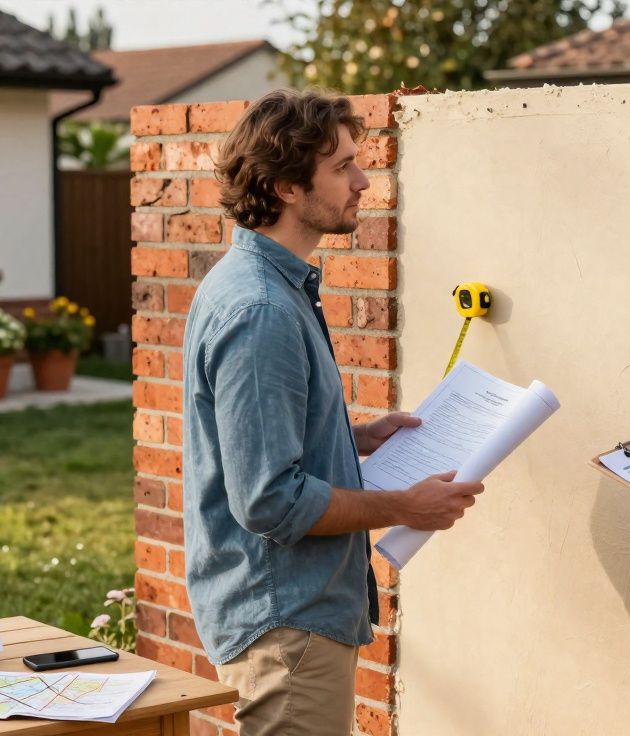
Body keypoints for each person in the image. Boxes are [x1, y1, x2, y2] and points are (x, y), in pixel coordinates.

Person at [181, 89, 484, 736]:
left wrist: (357, 437)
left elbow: (256, 443)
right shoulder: (261, 311)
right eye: (343, 165)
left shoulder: (259, 286)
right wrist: (406, 506)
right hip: (286, 628)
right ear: (287, 186)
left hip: (286, 620)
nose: (362, 179)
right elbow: (269, 500)